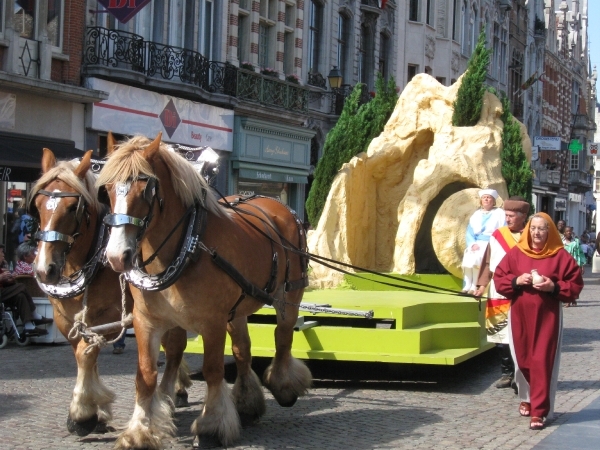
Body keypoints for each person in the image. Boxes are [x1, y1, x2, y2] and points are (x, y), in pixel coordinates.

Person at [494, 213, 583, 430]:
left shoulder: (560, 256)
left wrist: (553, 286)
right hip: (520, 315)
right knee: (523, 360)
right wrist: (516, 280)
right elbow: (499, 279)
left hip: (547, 317)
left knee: (542, 360)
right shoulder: (516, 253)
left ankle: (539, 411)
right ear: (528, 230)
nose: (536, 233)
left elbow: (575, 284)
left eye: (542, 228)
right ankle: (528, 395)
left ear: (549, 231)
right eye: (533, 228)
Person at [473, 196, 530, 390]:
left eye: (512, 215)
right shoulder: (498, 235)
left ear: (523, 216)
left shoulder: (530, 235)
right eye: (506, 215)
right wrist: (481, 284)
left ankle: (521, 373)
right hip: (498, 291)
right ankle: (506, 373)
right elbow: (488, 261)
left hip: (522, 292)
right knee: (499, 334)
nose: (508, 219)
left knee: (521, 334)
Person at [0, 244, 52, 336]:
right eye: (1, 252)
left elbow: (4, 283)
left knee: (20, 296)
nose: (3, 255)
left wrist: (10, 280)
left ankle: (29, 326)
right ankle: (35, 315)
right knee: (22, 286)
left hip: (3, 293)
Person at [461, 189, 506, 293]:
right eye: (484, 197)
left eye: (489, 197)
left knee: (479, 259)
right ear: (481, 200)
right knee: (468, 257)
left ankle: (474, 286)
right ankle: (467, 286)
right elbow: (469, 232)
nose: (486, 199)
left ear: (493, 201)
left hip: (491, 243)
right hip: (476, 242)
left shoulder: (500, 213)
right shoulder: (476, 214)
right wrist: (472, 244)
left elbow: (503, 230)